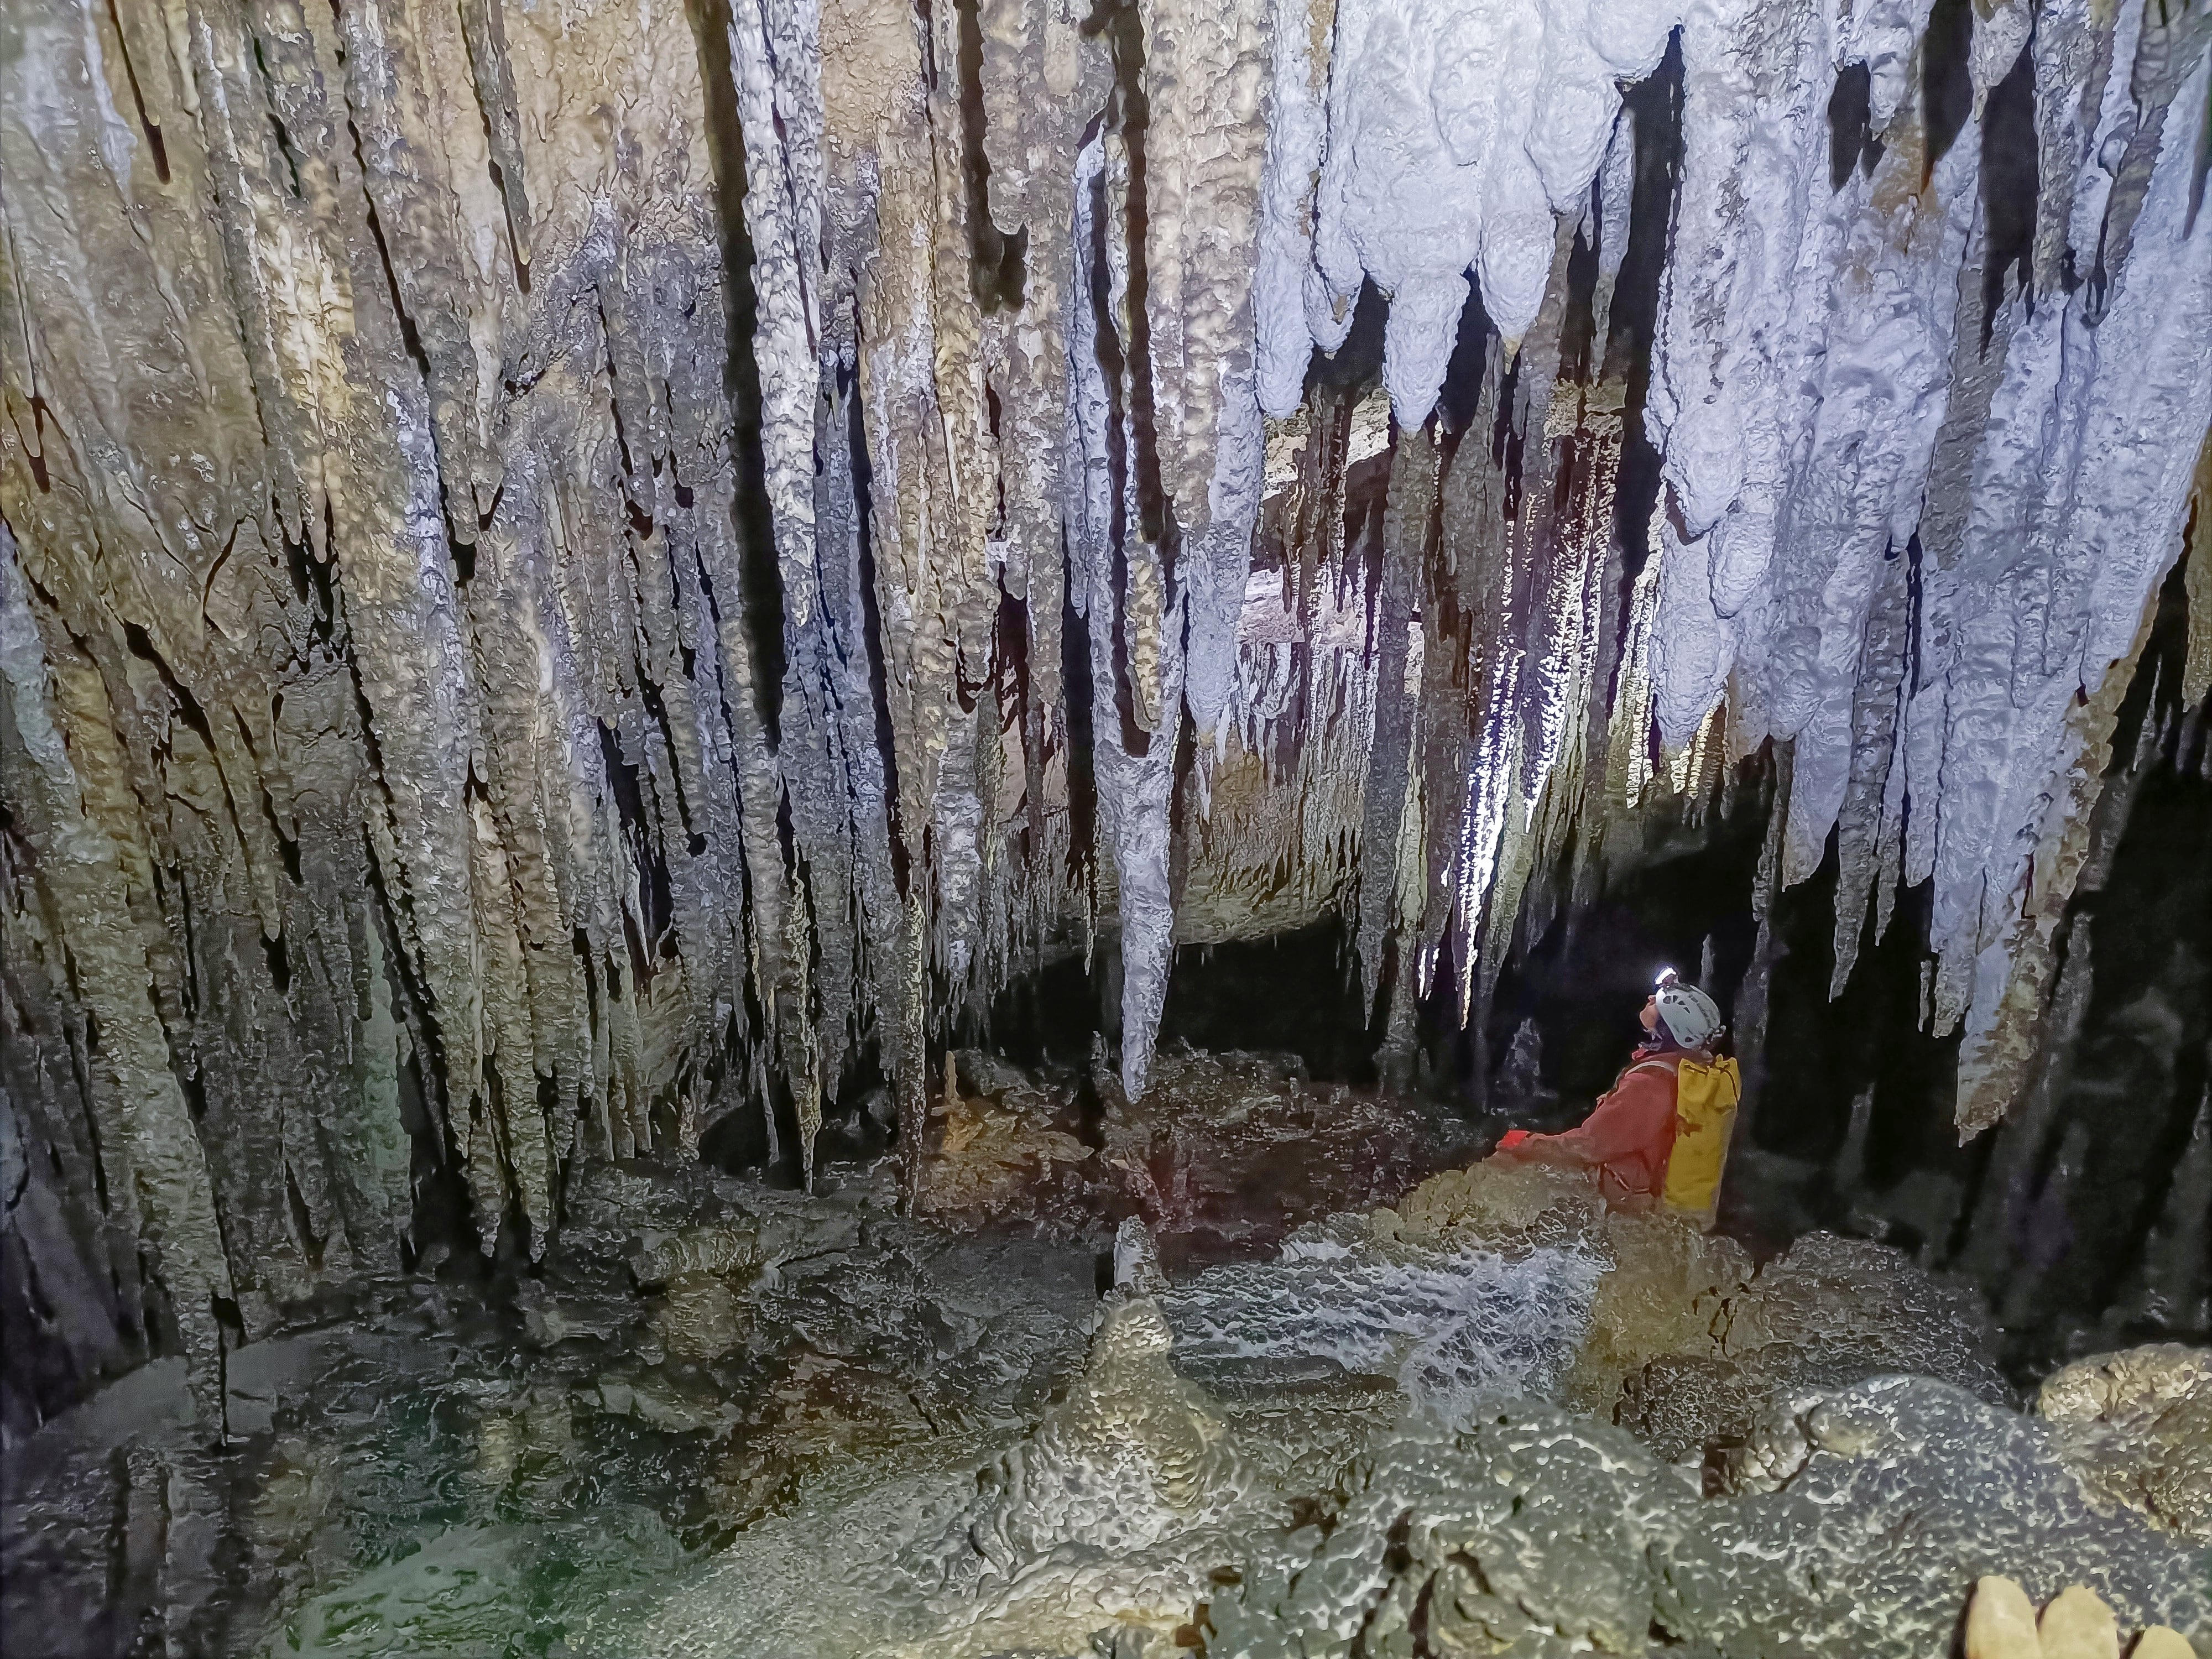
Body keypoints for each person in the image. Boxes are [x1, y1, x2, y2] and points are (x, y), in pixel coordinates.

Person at [1491, 970, 1740, 1224]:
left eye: (1659, 1002)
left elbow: (1589, 1146)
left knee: (1507, 1163)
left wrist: (1524, 1144)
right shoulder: (1696, 1068)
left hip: (1630, 1207)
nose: (1651, 999)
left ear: (1671, 1027)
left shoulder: (1649, 1086)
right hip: (1655, 1182)